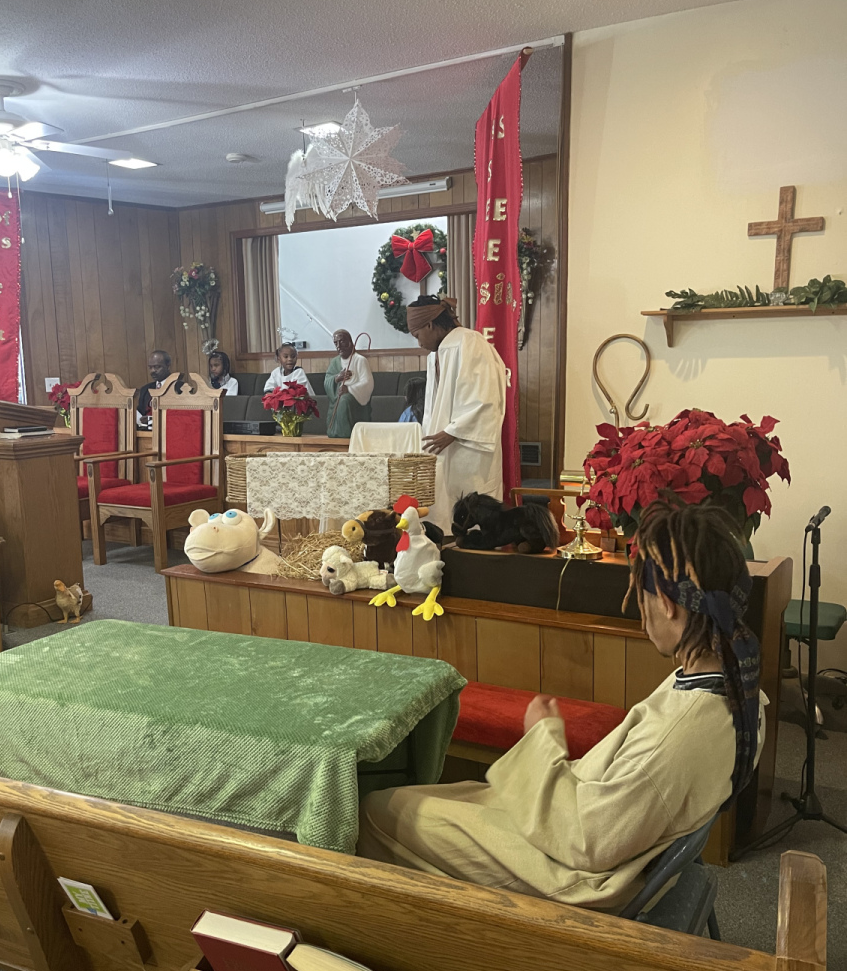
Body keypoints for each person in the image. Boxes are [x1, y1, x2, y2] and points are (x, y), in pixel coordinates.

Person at [358, 499, 766, 910]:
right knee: (440, 797)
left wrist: (542, 738)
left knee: (379, 810)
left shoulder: (683, 730)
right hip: (598, 828)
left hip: (580, 874)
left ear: (666, 603)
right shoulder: (739, 682)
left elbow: (589, 840)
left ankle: (423, 932)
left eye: (639, 596)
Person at [407, 296, 506, 533]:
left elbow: (486, 396)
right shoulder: (436, 354)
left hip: (469, 446)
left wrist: (453, 431)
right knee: (443, 509)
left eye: (417, 335)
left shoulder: (471, 342)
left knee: (472, 507)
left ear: (430, 324)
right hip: (443, 445)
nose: (418, 342)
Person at [324, 329, 373, 438]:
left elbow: (368, 383)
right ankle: (336, 432)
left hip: (356, 402)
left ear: (350, 342)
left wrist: (349, 389)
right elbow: (327, 381)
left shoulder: (360, 360)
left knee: (344, 400)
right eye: (336, 343)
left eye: (342, 341)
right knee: (341, 400)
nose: (339, 346)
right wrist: (337, 378)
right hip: (337, 399)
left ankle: (346, 435)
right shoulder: (335, 362)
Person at [137, 350, 173, 426]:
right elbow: (140, 413)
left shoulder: (179, 388)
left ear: (168, 366)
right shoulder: (145, 389)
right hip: (144, 430)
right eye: (150, 367)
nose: (152, 371)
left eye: (157, 367)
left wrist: (150, 420)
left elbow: (178, 416)